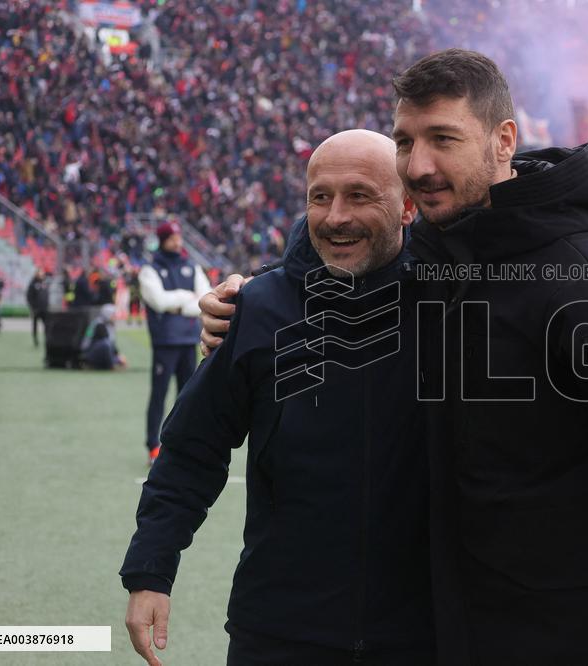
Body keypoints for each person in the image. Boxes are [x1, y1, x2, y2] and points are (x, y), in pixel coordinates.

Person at [203, 49, 588, 666]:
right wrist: (247, 300)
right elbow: (344, 246)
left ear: (503, 140)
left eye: (444, 139)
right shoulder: (438, 249)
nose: (419, 165)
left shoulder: (586, 276)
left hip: (571, 636)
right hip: (452, 630)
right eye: (404, 142)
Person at [121, 130, 433, 666]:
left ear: (407, 206)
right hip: (279, 632)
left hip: (421, 634)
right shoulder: (260, 308)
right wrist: (151, 569)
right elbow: (193, 448)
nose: (336, 216)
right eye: (320, 196)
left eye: (359, 195)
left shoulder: (449, 302)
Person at [138, 221, 211, 465]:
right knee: (159, 395)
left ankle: (184, 444)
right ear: (163, 240)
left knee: (188, 396)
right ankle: (153, 446)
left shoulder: (191, 266)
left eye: (179, 236)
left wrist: (179, 306)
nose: (178, 241)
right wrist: (186, 298)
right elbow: (158, 301)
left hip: (189, 340)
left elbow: (205, 298)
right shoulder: (150, 269)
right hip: (165, 342)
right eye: (173, 238)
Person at [81, 304, 127, 370]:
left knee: (116, 355)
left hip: (100, 353)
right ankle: (111, 366)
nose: (115, 317)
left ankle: (114, 362)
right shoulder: (98, 324)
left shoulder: (110, 325)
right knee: (105, 344)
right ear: (107, 314)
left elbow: (112, 345)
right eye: (113, 315)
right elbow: (107, 343)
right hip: (90, 353)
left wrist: (118, 356)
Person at [26, 269, 50, 346]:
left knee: (46, 325)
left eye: (42, 273)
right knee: (35, 325)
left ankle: (47, 339)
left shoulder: (45, 283)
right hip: (36, 309)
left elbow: (46, 295)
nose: (42, 274)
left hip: (44, 309)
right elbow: (29, 296)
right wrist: (33, 307)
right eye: (40, 273)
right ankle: (35, 340)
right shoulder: (33, 283)